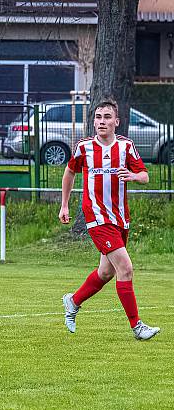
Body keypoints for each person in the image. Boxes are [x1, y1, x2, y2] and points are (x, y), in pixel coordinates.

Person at [60, 98, 159, 340]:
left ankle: (73, 301)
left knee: (106, 273)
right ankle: (137, 327)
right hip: (96, 217)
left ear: (117, 121)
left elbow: (145, 176)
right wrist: (64, 204)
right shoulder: (84, 147)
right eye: (98, 117)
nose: (101, 122)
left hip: (120, 218)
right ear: (94, 122)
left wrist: (134, 177)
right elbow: (70, 172)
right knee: (125, 268)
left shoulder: (126, 147)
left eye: (106, 117)